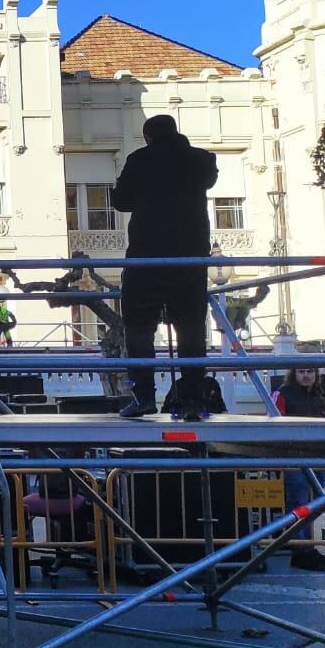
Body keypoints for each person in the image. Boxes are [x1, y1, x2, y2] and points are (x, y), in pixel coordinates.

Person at [111, 114, 218, 420]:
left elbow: (120, 201)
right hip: (190, 255)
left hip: (148, 253)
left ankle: (144, 395)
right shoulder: (201, 160)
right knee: (191, 328)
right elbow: (209, 180)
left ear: (148, 137)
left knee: (139, 326)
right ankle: (193, 400)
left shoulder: (140, 160)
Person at [272, 366, 325, 572]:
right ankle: (299, 550)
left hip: (317, 455)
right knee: (298, 502)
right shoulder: (282, 394)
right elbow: (273, 422)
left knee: (314, 503)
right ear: (294, 374)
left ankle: (308, 547)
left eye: (310, 371)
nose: (307, 375)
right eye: (301, 371)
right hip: (294, 457)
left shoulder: (318, 395)